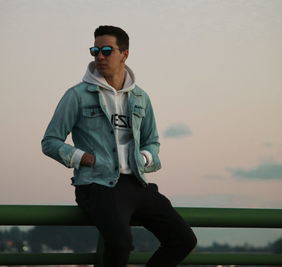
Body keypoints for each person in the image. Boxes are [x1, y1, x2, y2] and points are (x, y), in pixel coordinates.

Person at [41, 25, 197, 267]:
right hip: (98, 185)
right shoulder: (77, 95)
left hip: (137, 183)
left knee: (183, 239)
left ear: (124, 54)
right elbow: (50, 141)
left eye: (106, 50)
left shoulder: (140, 98)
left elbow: (152, 141)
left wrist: (144, 158)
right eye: (95, 51)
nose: (99, 57)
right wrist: (83, 158)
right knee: (121, 244)